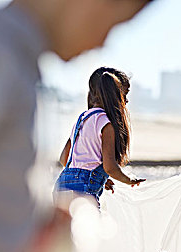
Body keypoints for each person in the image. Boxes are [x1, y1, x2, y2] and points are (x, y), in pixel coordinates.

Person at [0, 0, 151, 252]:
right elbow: (108, 164)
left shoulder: (22, 63)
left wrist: (35, 212)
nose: (102, 41)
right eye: (113, 20)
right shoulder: (2, 55)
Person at [54, 67, 145, 204]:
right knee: (88, 224)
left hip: (61, 187)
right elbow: (110, 167)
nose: (126, 101)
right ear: (113, 94)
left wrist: (100, 177)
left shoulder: (81, 120)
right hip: (83, 191)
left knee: (68, 225)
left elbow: (64, 159)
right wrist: (129, 180)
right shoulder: (105, 124)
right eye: (124, 95)